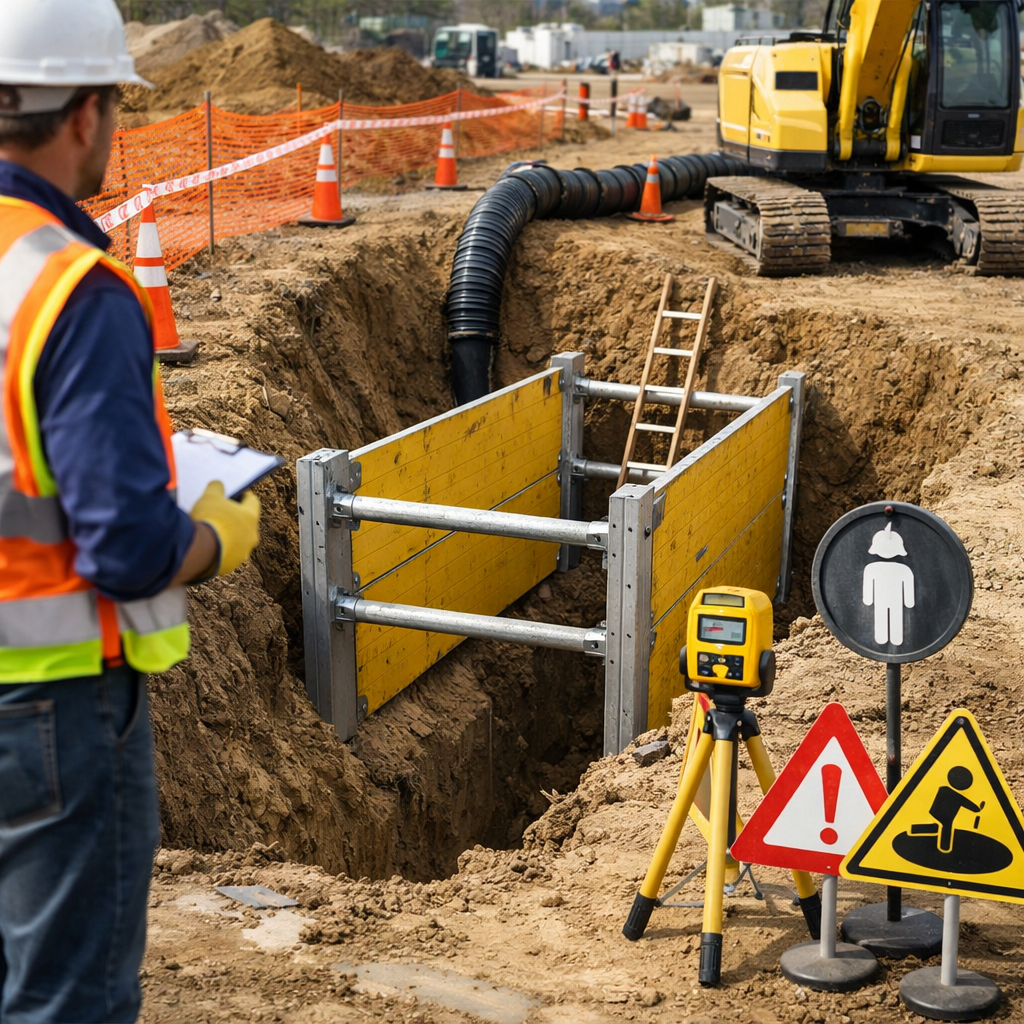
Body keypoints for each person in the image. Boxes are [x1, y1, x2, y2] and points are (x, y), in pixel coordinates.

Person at [0, 2, 261, 1021]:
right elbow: (126, 547)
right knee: (66, 1001)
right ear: (86, 112)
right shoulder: (74, 288)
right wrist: (215, 533)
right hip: (50, 714)